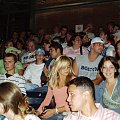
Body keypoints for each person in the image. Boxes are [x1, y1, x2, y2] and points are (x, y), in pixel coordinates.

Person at [37, 55, 75, 120]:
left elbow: (76, 104)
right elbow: (47, 99)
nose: (66, 70)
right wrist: (37, 112)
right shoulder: (53, 80)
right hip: (57, 113)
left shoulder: (73, 80)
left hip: (70, 113)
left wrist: (55, 111)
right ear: (58, 67)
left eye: (68, 67)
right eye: (63, 67)